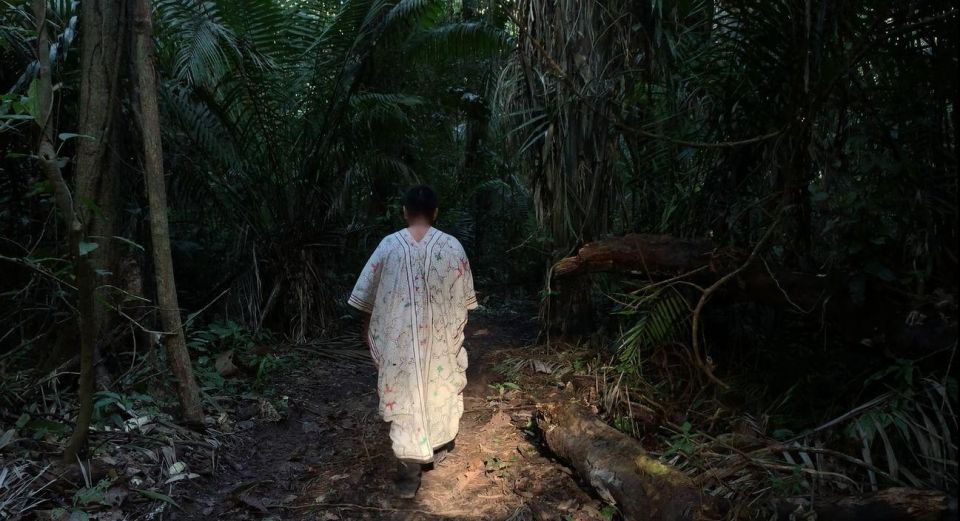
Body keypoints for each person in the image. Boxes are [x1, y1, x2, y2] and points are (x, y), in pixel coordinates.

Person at [348, 185, 478, 498]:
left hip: (398, 344)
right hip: (439, 342)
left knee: (406, 401)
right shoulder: (453, 247)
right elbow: (465, 302)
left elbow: (366, 298)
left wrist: (370, 332)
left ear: (405, 211)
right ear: (435, 213)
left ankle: (409, 472)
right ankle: (434, 447)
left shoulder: (388, 246)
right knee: (437, 390)